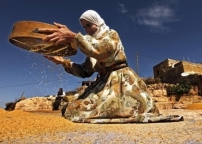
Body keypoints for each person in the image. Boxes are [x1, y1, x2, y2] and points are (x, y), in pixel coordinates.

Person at [39, 10, 182, 123]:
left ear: (97, 22)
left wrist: (74, 37)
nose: (87, 30)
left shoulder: (111, 35)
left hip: (121, 82)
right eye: (84, 27)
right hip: (103, 83)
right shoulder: (89, 44)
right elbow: (85, 71)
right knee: (72, 109)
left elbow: (102, 50)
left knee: (121, 109)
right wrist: (63, 62)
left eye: (89, 25)